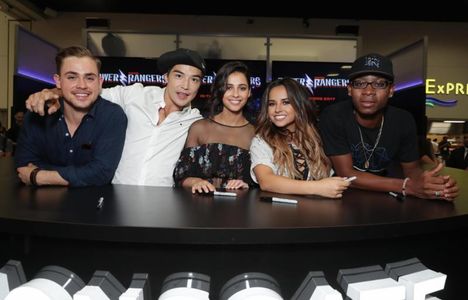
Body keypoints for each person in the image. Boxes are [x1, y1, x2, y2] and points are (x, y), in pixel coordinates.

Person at [25, 48, 205, 186]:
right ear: (166, 77)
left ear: (199, 85)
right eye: (179, 76)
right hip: (115, 195)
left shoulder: (196, 122)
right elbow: (86, 91)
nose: (186, 86)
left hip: (161, 201)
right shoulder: (135, 94)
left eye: (194, 79)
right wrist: (52, 92)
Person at [319, 53, 459, 200]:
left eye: (379, 84)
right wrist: (406, 186)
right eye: (359, 83)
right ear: (349, 89)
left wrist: (433, 184)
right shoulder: (334, 115)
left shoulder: (403, 120)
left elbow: (412, 171)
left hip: (385, 196)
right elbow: (346, 174)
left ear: (391, 90)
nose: (368, 91)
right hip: (341, 196)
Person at [15, 46, 127, 187]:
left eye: (89, 78)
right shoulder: (37, 114)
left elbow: (102, 173)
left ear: (99, 83)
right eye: (72, 77)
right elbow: (23, 166)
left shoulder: (112, 115)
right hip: (40, 205)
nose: (82, 85)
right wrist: (85, 173)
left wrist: (40, 176)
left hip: (94, 205)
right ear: (58, 81)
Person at [250, 78, 350, 198]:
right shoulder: (262, 141)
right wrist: (318, 188)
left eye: (286, 102)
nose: (277, 109)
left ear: (299, 105)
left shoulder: (317, 137)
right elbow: (267, 182)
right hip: (276, 213)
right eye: (272, 104)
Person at [173, 61, 255, 193]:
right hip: (200, 208)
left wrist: (246, 185)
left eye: (242, 88)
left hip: (240, 209)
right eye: (228, 87)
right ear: (220, 90)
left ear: (249, 92)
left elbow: (262, 181)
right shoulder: (199, 128)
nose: (235, 94)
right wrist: (196, 182)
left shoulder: (256, 133)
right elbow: (181, 176)